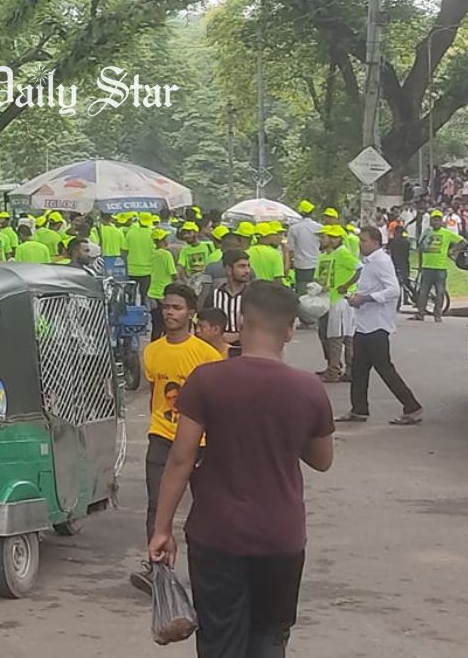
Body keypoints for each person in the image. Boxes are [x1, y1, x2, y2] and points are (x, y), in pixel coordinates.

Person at [149, 280, 334, 658]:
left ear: (242, 323)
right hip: (281, 536)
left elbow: (181, 459)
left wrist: (162, 529)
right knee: (269, 636)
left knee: (220, 639)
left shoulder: (208, 379)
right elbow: (322, 460)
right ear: (290, 330)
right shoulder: (308, 388)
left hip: (217, 534)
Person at [131, 283, 222, 594]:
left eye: (177, 308)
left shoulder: (206, 355)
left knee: (206, 507)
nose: (170, 312)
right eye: (167, 307)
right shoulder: (152, 351)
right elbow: (155, 394)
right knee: (157, 505)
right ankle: (157, 570)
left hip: (201, 443)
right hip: (161, 436)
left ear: (191, 314)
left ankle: (210, 569)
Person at [339, 226, 423, 426]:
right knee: (358, 369)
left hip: (377, 325)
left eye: (364, 240)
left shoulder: (381, 261)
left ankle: (411, 406)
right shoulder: (366, 262)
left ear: (376, 242)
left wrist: (366, 299)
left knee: (384, 368)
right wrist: (357, 298)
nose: (361, 244)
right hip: (363, 324)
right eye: (360, 240)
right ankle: (359, 409)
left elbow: (393, 290)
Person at [316, 225, 359, 382]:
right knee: (341, 336)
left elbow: (359, 268)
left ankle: (335, 370)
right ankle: (345, 369)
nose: (328, 239)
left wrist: (346, 286)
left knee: (338, 337)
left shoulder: (342, 253)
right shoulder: (328, 256)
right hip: (331, 299)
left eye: (333, 237)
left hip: (341, 300)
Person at [413, 210, 459, 322]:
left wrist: (452, 250)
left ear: (442, 221)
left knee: (440, 292)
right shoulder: (426, 233)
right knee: (423, 291)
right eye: (434, 219)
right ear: (430, 221)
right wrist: (420, 265)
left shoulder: (447, 233)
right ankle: (420, 313)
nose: (436, 221)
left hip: (441, 268)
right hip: (427, 267)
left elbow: (463, 241)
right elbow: (420, 249)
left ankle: (438, 314)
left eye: (438, 219)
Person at [209, 249, 252, 356]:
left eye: (248, 266)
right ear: (228, 269)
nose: (247, 271)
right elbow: (204, 324)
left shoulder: (254, 297)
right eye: (241, 266)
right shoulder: (214, 296)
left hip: (247, 351)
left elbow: (263, 326)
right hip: (219, 351)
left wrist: (238, 335)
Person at [288, 201, 322, 290]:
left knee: (302, 291)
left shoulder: (293, 228)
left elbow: (291, 249)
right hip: (317, 264)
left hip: (301, 266)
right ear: (312, 212)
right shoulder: (319, 227)